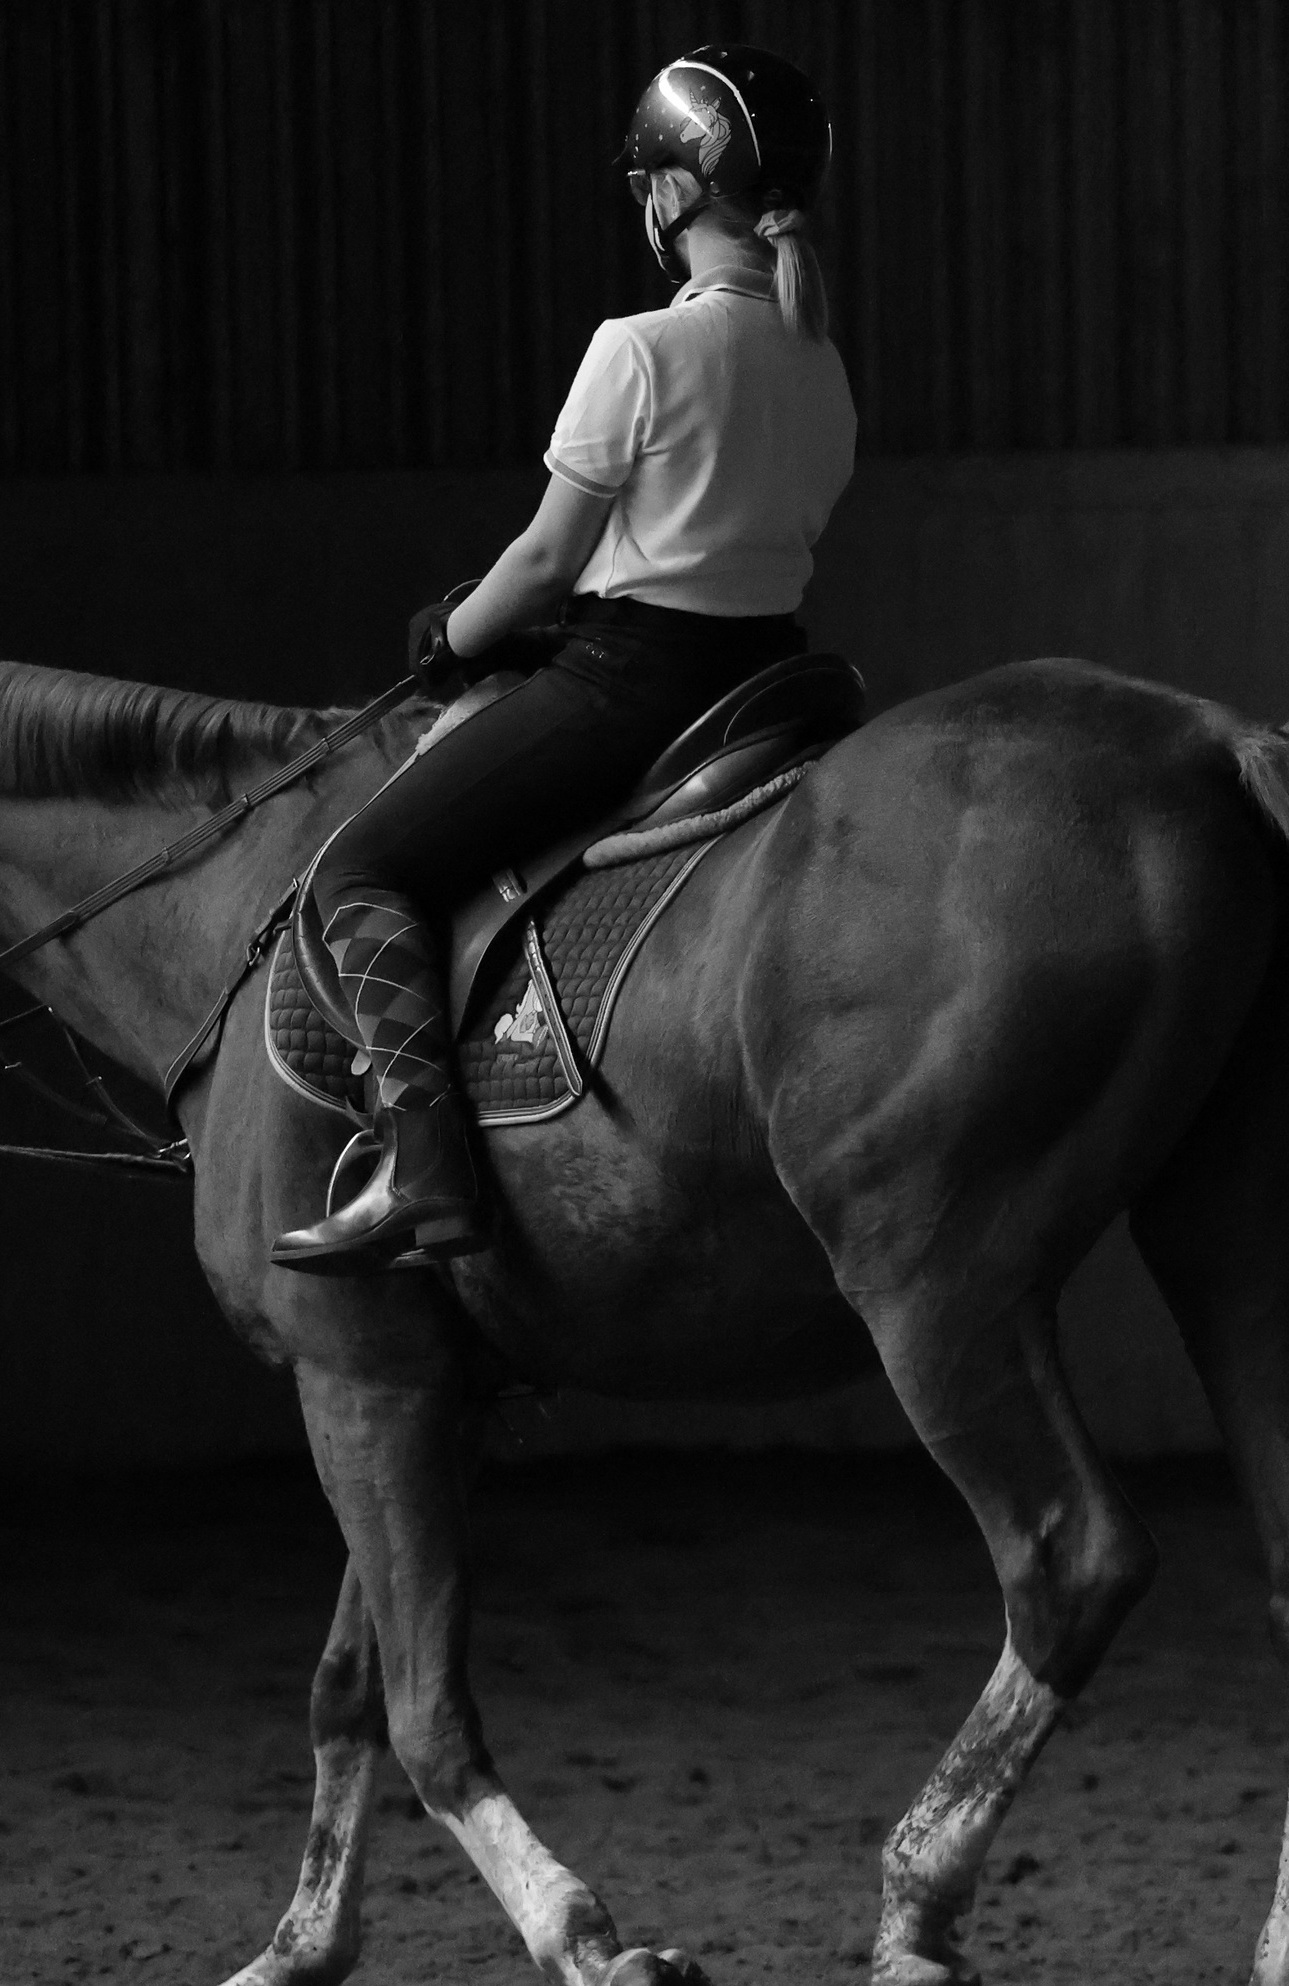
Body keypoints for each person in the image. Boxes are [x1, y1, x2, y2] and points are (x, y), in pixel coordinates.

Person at [270, 44, 858, 1275]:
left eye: (646, 182)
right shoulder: (823, 368)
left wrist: (453, 634)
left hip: (631, 688)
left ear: (671, 195)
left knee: (361, 865)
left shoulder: (638, 349)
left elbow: (545, 565)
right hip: (762, 682)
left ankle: (421, 1167)